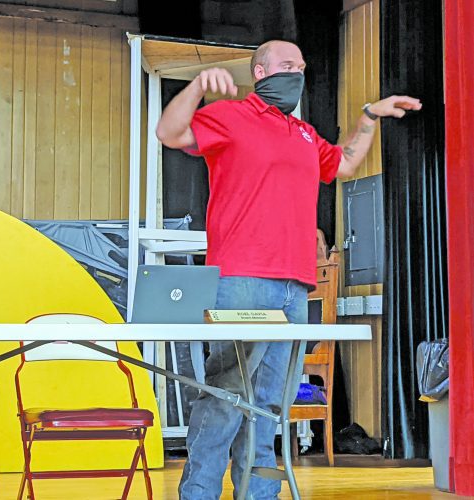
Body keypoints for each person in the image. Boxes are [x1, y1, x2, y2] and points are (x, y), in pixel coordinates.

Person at [156, 40, 421, 499]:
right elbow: (169, 132)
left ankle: (258, 494)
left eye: (301, 67)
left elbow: (344, 163)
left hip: (295, 286)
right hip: (241, 278)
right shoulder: (231, 116)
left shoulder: (303, 133)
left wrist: (369, 117)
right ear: (260, 72)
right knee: (226, 394)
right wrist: (198, 86)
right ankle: (197, 493)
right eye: (286, 65)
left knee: (268, 403)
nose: (296, 73)